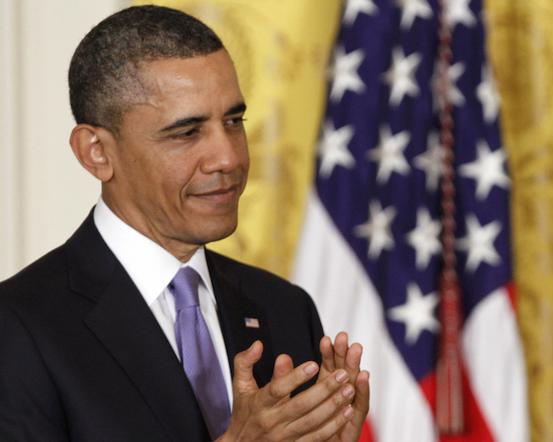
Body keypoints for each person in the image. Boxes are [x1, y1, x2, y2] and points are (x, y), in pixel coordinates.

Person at [0, 5, 369, 441]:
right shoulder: (18, 328)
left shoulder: (283, 308)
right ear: (96, 152)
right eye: (186, 132)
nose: (229, 157)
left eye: (233, 121)